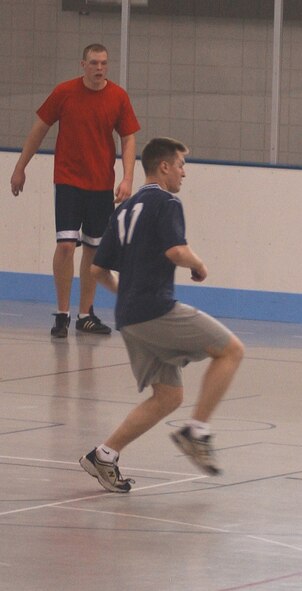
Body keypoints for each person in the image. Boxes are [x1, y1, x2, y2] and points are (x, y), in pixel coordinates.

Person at [79, 137, 244, 492]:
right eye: (181, 165)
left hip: (129, 316)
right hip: (156, 308)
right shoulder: (167, 201)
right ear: (164, 167)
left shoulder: (124, 208)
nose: (184, 173)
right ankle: (196, 431)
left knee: (168, 396)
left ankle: (104, 455)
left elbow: (97, 271)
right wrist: (198, 264)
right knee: (231, 350)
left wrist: (128, 295)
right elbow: (176, 250)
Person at [9, 43, 140, 338]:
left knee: (94, 250)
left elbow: (129, 137)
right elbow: (39, 128)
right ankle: (62, 313)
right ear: (82, 65)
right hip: (69, 181)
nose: (99, 68)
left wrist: (127, 177)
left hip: (101, 184)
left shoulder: (118, 97)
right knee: (66, 245)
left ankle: (86, 314)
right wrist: (21, 167)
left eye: (104, 63)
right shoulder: (64, 93)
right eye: (93, 63)